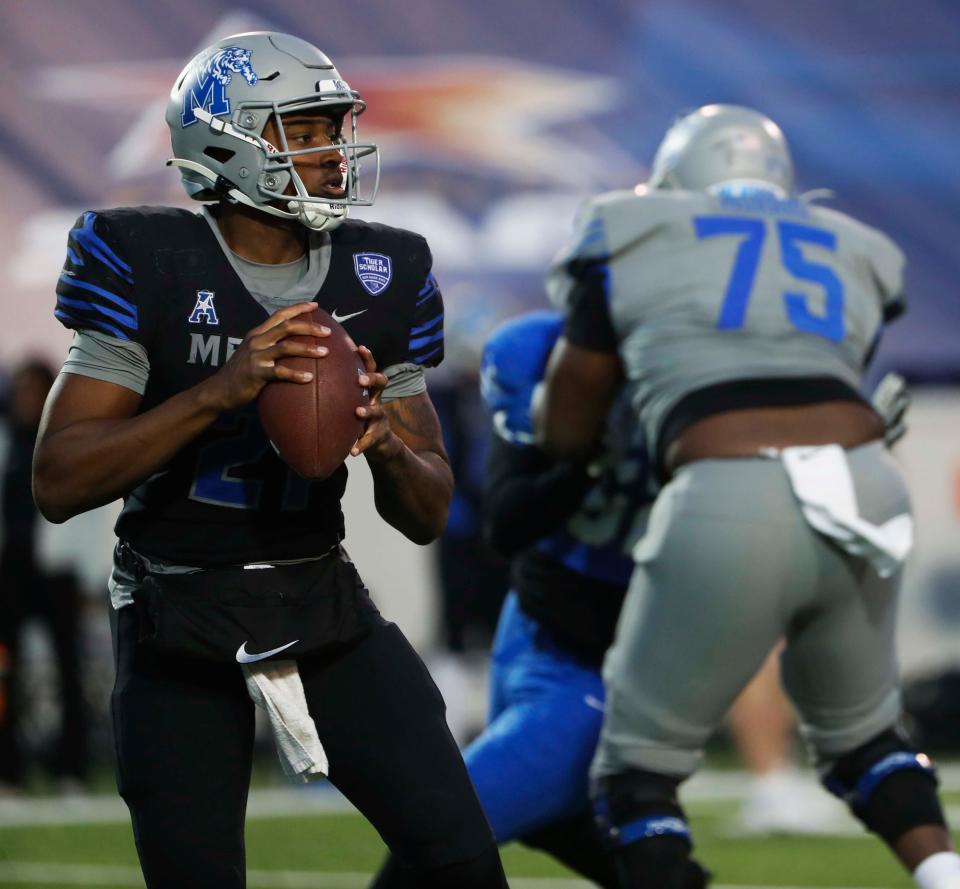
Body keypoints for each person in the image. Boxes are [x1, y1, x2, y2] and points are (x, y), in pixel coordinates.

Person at [32, 31, 508, 889]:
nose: (333, 153)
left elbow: (429, 511)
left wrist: (386, 442)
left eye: (334, 128)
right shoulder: (149, 259)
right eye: (305, 130)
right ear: (225, 143)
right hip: (176, 612)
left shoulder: (382, 269)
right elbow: (60, 479)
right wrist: (220, 390)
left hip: (321, 600)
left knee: (464, 861)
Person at [536, 104, 959, 888]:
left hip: (729, 488)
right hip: (863, 488)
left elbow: (567, 428)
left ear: (678, 181)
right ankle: (944, 873)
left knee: (636, 771)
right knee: (868, 738)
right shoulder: (854, 245)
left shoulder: (632, 229)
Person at [372, 309, 648, 889]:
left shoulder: (700, 370)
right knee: (555, 818)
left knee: (440, 833)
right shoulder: (538, 349)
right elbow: (507, 519)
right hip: (533, 627)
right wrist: (591, 461)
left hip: (603, 660)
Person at [0, 359, 89, 794]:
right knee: (6, 673)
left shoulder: (63, 441)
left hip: (56, 571)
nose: (26, 399)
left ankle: (71, 770)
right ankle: (9, 771)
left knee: (69, 670)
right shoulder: (4, 443)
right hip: (10, 572)